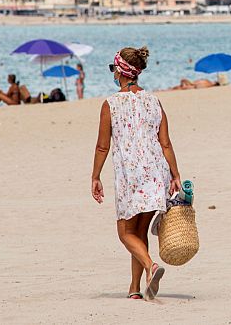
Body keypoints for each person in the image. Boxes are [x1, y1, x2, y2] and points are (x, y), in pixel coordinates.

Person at [90, 46, 183, 301]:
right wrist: (175, 175)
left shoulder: (110, 104)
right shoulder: (154, 100)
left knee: (125, 233)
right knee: (139, 232)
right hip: (156, 174)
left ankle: (150, 266)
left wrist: (95, 176)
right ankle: (134, 288)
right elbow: (166, 143)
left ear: (120, 71)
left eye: (113, 69)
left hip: (130, 177)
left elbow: (102, 146)